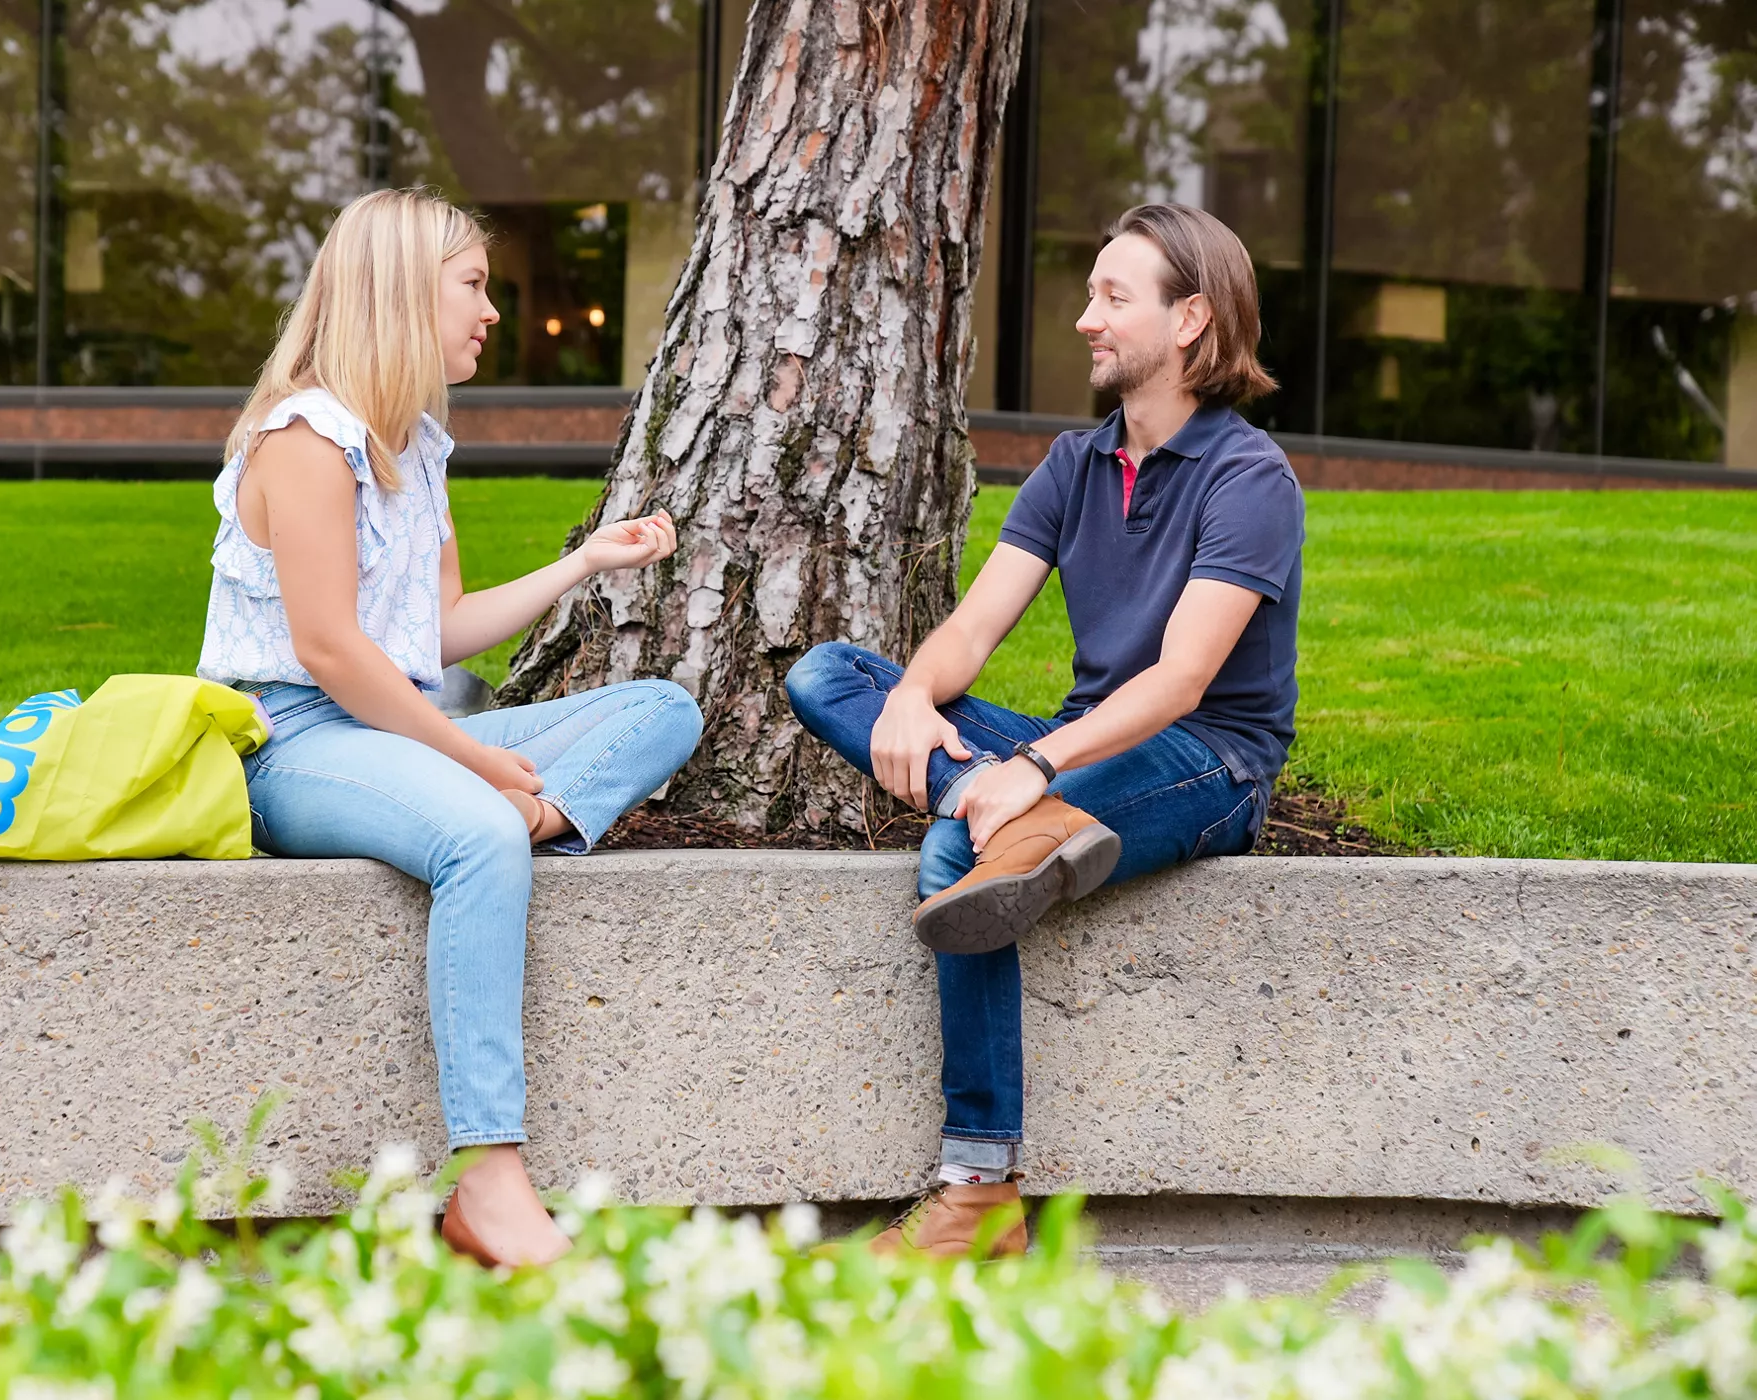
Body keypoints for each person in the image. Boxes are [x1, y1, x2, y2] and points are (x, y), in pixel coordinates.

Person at [784, 203, 1303, 1256]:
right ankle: (1016, 818)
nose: (1084, 320)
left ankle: (979, 1194)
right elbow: (973, 626)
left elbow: (1181, 680)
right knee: (830, 673)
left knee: (953, 845)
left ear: (1191, 319)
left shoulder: (1251, 479)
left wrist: (1028, 764)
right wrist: (916, 698)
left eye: (1114, 297)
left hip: (1209, 759)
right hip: (1084, 741)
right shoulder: (1077, 462)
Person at [196, 187, 701, 1268]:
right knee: (476, 831)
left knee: (663, 707)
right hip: (295, 743)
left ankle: (523, 816)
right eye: (472, 285)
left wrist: (582, 563)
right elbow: (331, 649)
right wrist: (474, 763)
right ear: (398, 290)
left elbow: (439, 629)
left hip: (400, 732)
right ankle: (491, 1182)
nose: (490, 310)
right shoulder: (304, 439)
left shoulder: (415, 443)